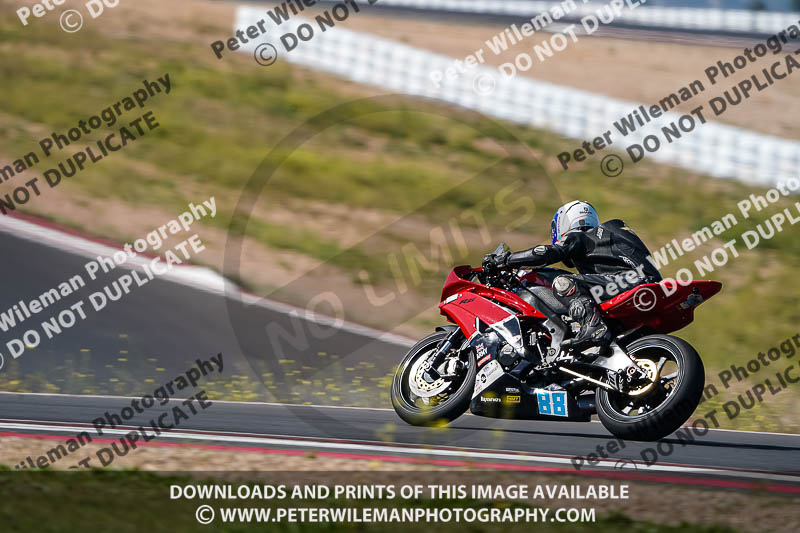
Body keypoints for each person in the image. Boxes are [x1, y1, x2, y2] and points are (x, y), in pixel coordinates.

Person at [483, 201, 661, 351]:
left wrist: (506, 260)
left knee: (563, 282)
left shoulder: (580, 236)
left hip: (629, 281)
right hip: (641, 285)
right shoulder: (603, 239)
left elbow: (545, 252)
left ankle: (593, 327)